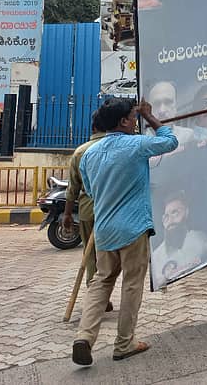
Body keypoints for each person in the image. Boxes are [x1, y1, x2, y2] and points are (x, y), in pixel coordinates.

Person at [71, 98, 178, 367]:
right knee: (132, 284)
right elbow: (170, 141)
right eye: (133, 117)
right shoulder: (136, 145)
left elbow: (90, 191)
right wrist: (150, 116)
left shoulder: (89, 154)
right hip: (133, 228)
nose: (135, 122)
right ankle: (124, 343)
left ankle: (84, 336)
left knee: (101, 281)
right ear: (123, 121)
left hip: (104, 230)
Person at [63, 114, 108, 295]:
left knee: (91, 257)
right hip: (112, 209)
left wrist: (67, 214)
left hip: (88, 210)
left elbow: (72, 188)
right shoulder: (118, 148)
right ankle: (101, 294)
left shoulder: (81, 152)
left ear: (93, 128)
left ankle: (95, 293)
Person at [150, 190, 207, 284]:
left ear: (186, 212)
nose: (170, 220)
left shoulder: (199, 239)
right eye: (166, 216)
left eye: (175, 213)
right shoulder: (156, 257)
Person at [147, 81, 195, 149]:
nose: (162, 110)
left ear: (176, 106)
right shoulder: (141, 142)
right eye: (156, 104)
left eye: (168, 102)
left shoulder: (187, 136)